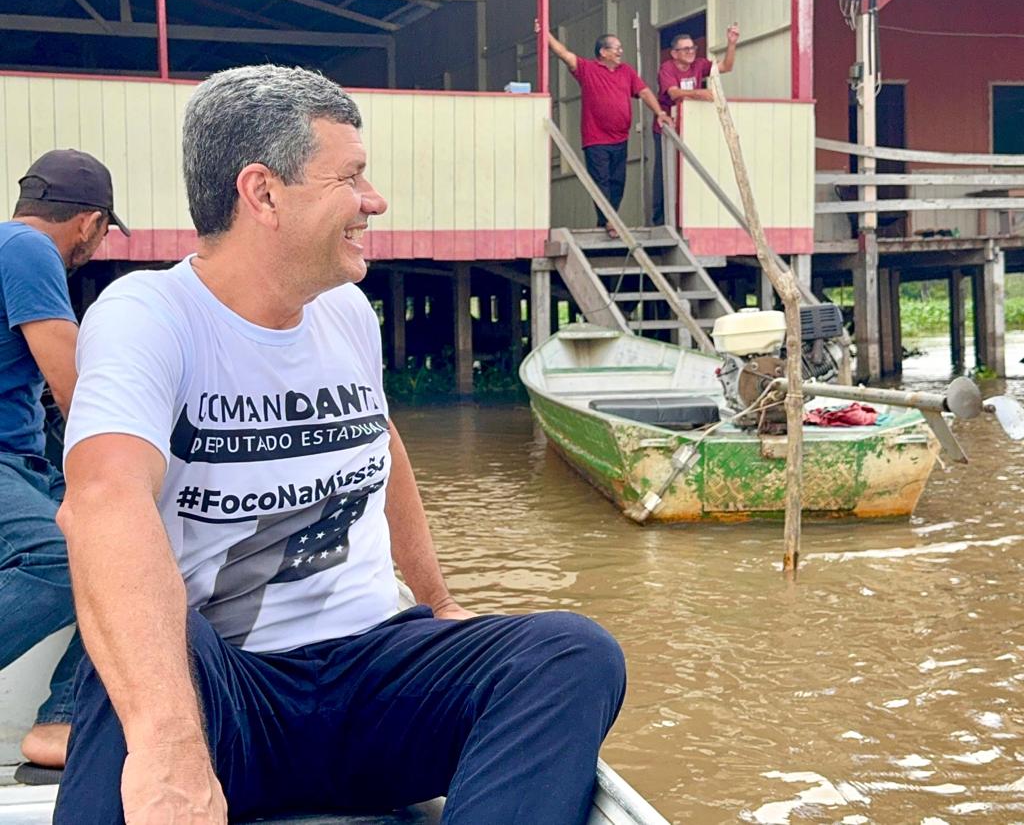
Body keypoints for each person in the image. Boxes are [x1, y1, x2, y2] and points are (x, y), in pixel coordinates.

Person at [54, 65, 626, 824]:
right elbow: (102, 500)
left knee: (571, 652)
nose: (374, 200)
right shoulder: (148, 315)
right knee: (135, 654)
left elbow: (382, 453)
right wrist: (169, 746)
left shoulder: (347, 311)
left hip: (367, 679)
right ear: (262, 193)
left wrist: (440, 600)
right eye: (351, 176)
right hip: (230, 700)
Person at [0, 148, 125, 770]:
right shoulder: (27, 250)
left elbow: (43, 397)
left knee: (139, 548)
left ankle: (63, 720)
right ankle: (61, 717)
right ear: (91, 223)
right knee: (67, 556)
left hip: (17, 460)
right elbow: (77, 387)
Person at [542, 25, 673, 233]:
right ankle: (610, 220)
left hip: (620, 138)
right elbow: (563, 54)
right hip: (596, 139)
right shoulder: (587, 69)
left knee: (617, 183)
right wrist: (545, 35)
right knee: (601, 181)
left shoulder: (627, 71)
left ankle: (605, 220)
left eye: (620, 48)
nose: (620, 51)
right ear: (603, 52)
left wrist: (660, 113)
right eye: (616, 48)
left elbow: (645, 92)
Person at [652, 25, 740, 226]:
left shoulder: (699, 64)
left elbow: (726, 67)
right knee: (664, 174)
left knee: (690, 172)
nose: (691, 52)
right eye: (685, 49)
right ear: (674, 53)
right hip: (668, 129)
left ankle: (687, 219)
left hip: (692, 128)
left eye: (693, 48)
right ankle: (660, 221)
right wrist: (700, 94)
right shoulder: (667, 68)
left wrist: (732, 43)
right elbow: (673, 93)